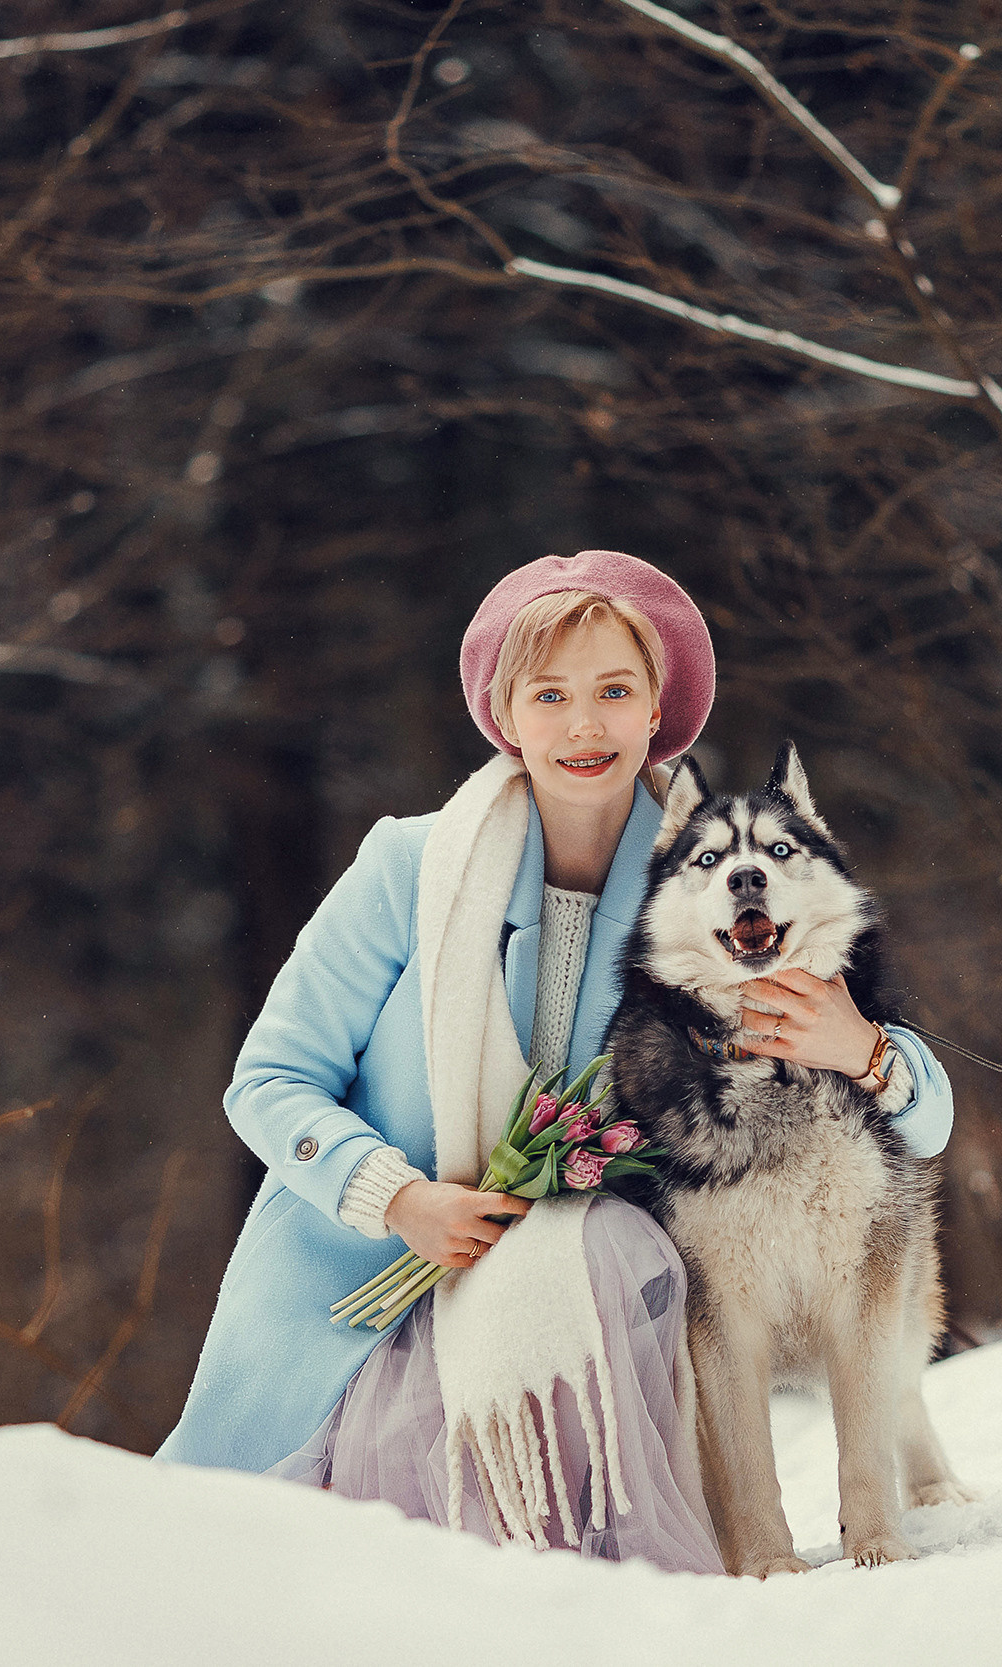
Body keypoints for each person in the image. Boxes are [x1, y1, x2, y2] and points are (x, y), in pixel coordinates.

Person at [158, 551, 955, 1574]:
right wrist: (397, 1196)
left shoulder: (705, 889)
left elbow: (915, 1121)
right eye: (551, 694)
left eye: (614, 691)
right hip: (367, 1279)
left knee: (624, 1246)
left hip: (588, 1289)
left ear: (657, 705)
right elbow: (267, 1078)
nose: (585, 726)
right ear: (505, 712)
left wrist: (867, 1051)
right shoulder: (412, 865)